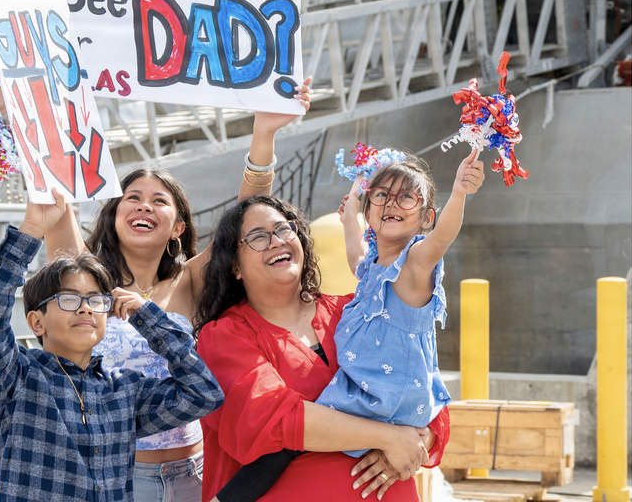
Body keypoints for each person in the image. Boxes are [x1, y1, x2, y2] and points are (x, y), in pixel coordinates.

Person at [0, 57, 311, 502]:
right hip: (113, 476)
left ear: (179, 227)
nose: (144, 206)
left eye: (159, 201)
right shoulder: (83, 278)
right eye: (132, 198)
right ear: (113, 217)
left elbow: (250, 214)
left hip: (190, 474)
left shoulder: (193, 281)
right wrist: (11, 106)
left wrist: (264, 134)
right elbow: (51, 188)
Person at [207, 148, 485, 502]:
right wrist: (387, 437)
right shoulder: (226, 336)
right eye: (258, 237)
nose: (276, 240)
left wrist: (417, 439)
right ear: (234, 265)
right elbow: (275, 420)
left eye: (283, 229)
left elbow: (423, 391)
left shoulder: (352, 312)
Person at [0, 197, 225, 501]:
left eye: (96, 300)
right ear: (36, 322)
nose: (86, 308)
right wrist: (31, 230)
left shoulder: (124, 390)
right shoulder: (17, 378)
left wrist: (148, 318)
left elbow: (203, 394)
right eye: (70, 299)